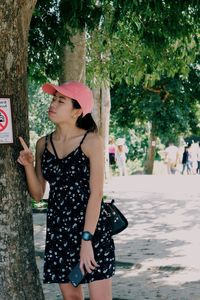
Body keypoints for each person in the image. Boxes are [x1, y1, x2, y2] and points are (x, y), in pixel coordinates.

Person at [17, 81, 115, 300]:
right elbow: (37, 193)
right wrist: (27, 166)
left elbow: (96, 194)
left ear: (77, 111)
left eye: (61, 100)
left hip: (92, 231)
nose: (53, 104)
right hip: (60, 231)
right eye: (53, 99)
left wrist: (87, 241)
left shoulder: (92, 142)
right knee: (71, 298)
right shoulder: (43, 143)